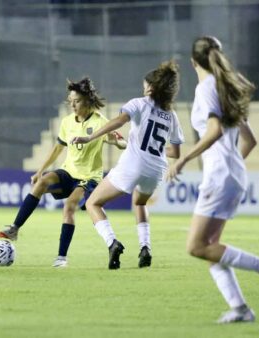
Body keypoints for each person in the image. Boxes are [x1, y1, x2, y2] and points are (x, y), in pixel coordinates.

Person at [166, 36, 259, 324]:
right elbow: (250, 140)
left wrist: (183, 159)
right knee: (212, 249)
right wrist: (230, 170)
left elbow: (214, 130)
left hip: (221, 175)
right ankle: (241, 309)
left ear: (194, 62)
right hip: (233, 174)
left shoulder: (205, 89)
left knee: (196, 246)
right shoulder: (225, 88)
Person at [0, 77, 126, 268]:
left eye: (77, 101)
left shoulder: (100, 122)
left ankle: (61, 258)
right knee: (41, 183)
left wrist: (115, 142)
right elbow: (57, 149)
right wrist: (39, 171)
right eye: (70, 101)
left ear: (88, 100)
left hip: (88, 178)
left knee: (69, 207)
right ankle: (15, 228)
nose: (72, 105)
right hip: (68, 172)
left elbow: (123, 143)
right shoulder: (67, 122)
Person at [72, 60, 184, 270]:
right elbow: (175, 152)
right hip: (156, 169)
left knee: (92, 203)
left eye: (144, 85)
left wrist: (90, 138)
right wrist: (142, 147)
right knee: (140, 203)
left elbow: (119, 121)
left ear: (150, 87)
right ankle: (145, 248)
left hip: (133, 165)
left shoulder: (139, 103)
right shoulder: (172, 115)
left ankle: (112, 243)